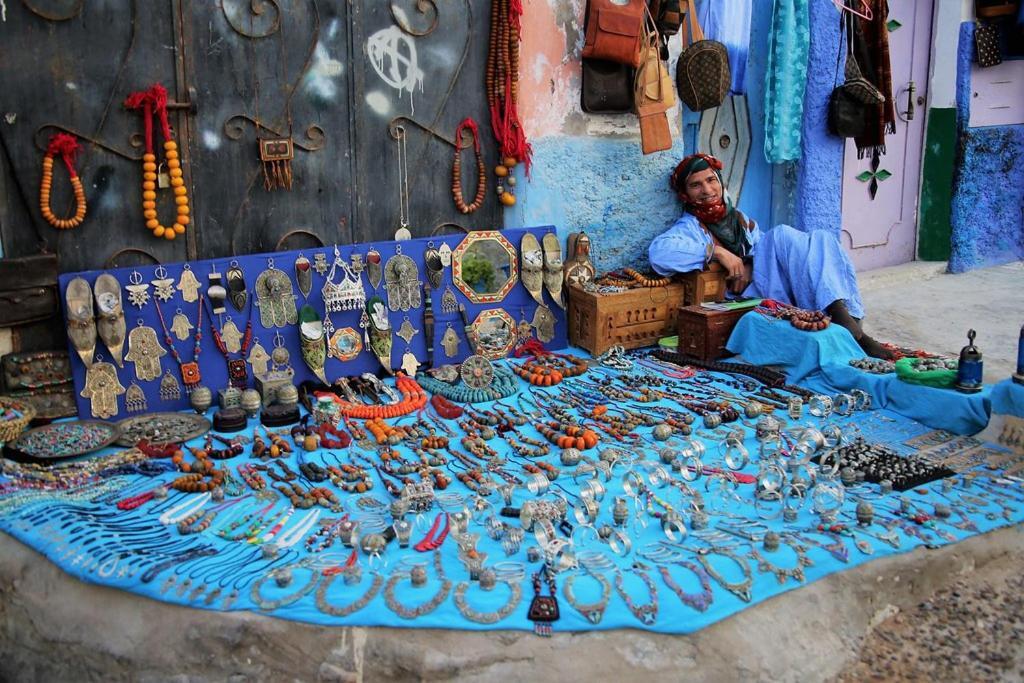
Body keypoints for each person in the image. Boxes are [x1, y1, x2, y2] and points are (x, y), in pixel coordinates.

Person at [648, 153, 891, 359]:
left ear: (721, 182)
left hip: (769, 285)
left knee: (820, 239)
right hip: (744, 300)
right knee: (782, 235)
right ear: (685, 195)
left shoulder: (738, 220)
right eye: (695, 185)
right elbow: (659, 254)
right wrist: (716, 251)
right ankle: (849, 324)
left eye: (711, 180)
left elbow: (765, 249)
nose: (707, 190)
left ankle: (846, 319)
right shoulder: (689, 228)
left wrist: (749, 263)